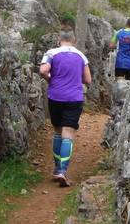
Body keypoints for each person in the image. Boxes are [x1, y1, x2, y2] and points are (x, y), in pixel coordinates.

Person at [39, 28, 92, 187]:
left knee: (57, 131)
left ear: (58, 39)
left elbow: (43, 70)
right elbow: (88, 80)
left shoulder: (51, 53)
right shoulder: (81, 55)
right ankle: (62, 170)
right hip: (74, 98)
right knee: (68, 133)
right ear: (74, 40)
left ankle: (56, 168)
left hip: (55, 96)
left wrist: (50, 81)